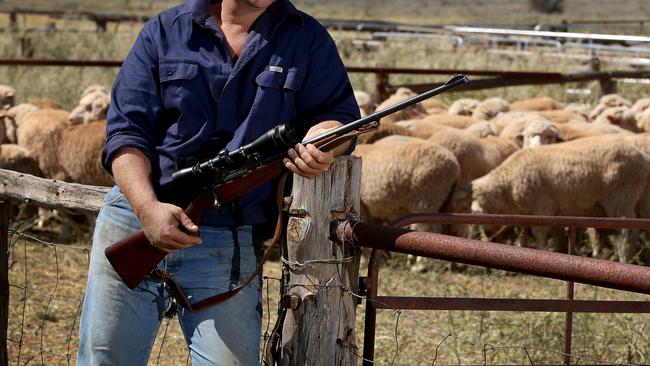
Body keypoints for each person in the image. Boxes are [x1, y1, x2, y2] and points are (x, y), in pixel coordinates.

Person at [76, 0, 360, 364]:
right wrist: (147, 208)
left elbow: (339, 116)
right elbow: (126, 133)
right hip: (137, 219)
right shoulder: (165, 31)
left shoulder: (307, 38)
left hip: (229, 237)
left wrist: (323, 139)